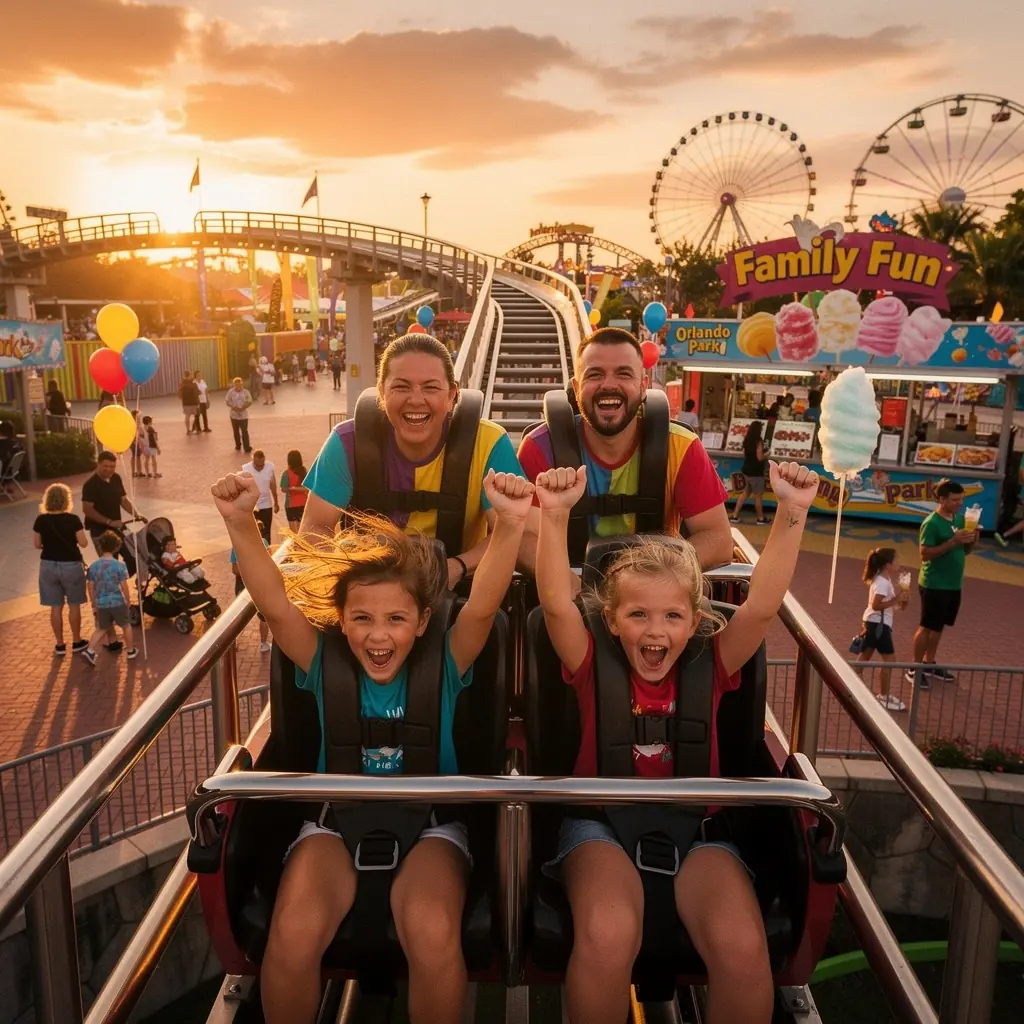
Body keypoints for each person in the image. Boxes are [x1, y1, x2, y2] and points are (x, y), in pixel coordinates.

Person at [211, 465, 533, 1024]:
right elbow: (277, 606)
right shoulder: (321, 663)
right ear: (341, 620)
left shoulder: (447, 665)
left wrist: (506, 526)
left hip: (433, 823)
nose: (378, 636)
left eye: (395, 620)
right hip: (335, 823)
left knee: (432, 930)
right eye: (361, 619)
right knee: (292, 931)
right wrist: (242, 524)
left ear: (423, 620)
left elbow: (482, 606)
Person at [533, 459, 818, 1024]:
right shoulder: (590, 663)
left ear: (696, 621)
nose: (656, 631)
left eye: (672, 616)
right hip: (601, 826)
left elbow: (761, 604)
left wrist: (792, 512)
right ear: (611, 622)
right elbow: (556, 605)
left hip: (700, 833)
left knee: (742, 947)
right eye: (638, 615)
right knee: (607, 935)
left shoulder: (713, 663)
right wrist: (554, 517)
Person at [300, 335, 529, 589]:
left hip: (455, 592)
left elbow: (508, 531)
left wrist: (456, 567)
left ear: (452, 395)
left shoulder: (488, 443)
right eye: (401, 387)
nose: (416, 400)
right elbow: (314, 528)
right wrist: (355, 571)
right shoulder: (346, 443)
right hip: (366, 592)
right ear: (381, 393)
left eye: (430, 387)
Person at [517, 327, 732, 570]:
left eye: (624, 374)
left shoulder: (681, 447)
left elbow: (718, 539)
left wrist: (652, 579)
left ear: (643, 387)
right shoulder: (540, 447)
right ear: (576, 389)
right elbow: (524, 539)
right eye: (595, 375)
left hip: (657, 595)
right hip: (566, 592)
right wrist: (569, 587)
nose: (609, 385)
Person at [909, 480, 975, 685]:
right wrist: (953, 541)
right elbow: (925, 554)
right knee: (927, 626)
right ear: (942, 499)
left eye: (962, 499)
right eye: (955, 500)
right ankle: (914, 667)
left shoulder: (962, 520)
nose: (960, 503)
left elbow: (966, 551)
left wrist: (973, 538)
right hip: (934, 584)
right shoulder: (931, 523)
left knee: (938, 627)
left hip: (953, 584)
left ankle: (929, 663)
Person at [33, 483, 89, 655]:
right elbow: (83, 543)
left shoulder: (41, 520)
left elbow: (36, 545)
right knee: (74, 605)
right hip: (70, 565)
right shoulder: (73, 520)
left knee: (55, 607)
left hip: (48, 565)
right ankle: (77, 641)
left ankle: (59, 644)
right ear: (66, 499)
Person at [856, 547, 909, 711]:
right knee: (890, 660)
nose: (898, 562)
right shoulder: (882, 583)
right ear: (887, 564)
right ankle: (883, 696)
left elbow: (892, 606)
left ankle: (851, 684)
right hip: (879, 625)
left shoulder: (883, 580)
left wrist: (902, 600)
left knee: (866, 655)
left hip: (874, 623)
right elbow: (876, 605)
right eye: (896, 560)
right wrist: (897, 600)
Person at [81, 530, 138, 664]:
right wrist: (128, 601)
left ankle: (89, 650)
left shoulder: (93, 566)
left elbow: (90, 586)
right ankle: (130, 650)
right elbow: (124, 586)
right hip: (117, 601)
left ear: (100, 546)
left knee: (102, 628)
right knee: (126, 625)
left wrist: (93, 604)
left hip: (101, 603)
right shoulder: (120, 565)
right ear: (117, 547)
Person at [730, 420, 770, 525]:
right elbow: (759, 457)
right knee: (758, 496)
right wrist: (768, 454)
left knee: (745, 493)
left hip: (746, 471)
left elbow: (746, 454)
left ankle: (734, 515)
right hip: (756, 472)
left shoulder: (747, 440)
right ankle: (760, 518)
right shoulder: (758, 441)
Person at [242, 449, 279, 541]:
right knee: (254, 533)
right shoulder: (246, 469)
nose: (260, 468)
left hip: (267, 505)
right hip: (253, 506)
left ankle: (267, 551)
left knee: (266, 533)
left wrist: (276, 502)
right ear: (253, 461)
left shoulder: (269, 467)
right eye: (257, 466)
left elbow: (273, 485)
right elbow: (243, 488)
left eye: (262, 465)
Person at [281, 449, 308, 530]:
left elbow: (283, 489)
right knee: (302, 530)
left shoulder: (286, 473)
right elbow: (307, 489)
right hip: (303, 503)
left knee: (293, 531)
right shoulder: (304, 472)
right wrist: (298, 488)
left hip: (290, 505)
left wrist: (292, 488)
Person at [225, 377, 253, 453]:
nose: (239, 387)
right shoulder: (231, 392)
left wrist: (244, 406)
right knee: (236, 431)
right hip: (234, 415)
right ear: (234, 385)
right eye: (237, 385)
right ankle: (238, 445)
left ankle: (247, 447)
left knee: (244, 431)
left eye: (240, 385)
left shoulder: (245, 392)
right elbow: (227, 401)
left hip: (243, 415)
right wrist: (234, 407)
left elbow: (250, 400)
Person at [179, 371, 200, 435]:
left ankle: (188, 430)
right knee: (196, 416)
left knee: (187, 416)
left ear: (184, 375)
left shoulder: (182, 384)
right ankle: (196, 429)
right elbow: (197, 393)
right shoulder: (193, 384)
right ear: (190, 375)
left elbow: (179, 395)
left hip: (185, 403)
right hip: (194, 402)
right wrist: (198, 402)